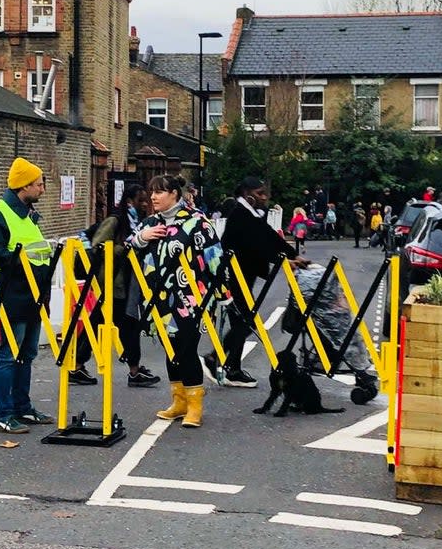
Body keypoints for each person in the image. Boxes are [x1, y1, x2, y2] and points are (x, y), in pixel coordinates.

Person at [131, 174, 223, 428]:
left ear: (174, 193)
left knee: (185, 349)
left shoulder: (196, 222)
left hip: (190, 298)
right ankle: (179, 400)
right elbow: (130, 249)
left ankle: (195, 404)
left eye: (159, 192)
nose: (153, 197)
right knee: (171, 350)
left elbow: (215, 258)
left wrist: (222, 296)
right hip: (158, 299)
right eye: (151, 192)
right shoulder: (150, 222)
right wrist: (142, 237)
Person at [206, 176, 309, 388]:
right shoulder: (240, 215)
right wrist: (284, 261)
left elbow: (269, 237)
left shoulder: (251, 214)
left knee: (243, 321)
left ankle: (228, 366)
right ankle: (219, 360)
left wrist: (292, 254)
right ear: (248, 195)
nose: (265, 198)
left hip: (244, 275)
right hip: (233, 276)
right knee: (245, 320)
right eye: (260, 194)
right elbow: (255, 247)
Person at [0, 157, 58, 434]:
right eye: (39, 184)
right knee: (9, 355)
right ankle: (4, 414)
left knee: (26, 354)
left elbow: (37, 252)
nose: (42, 189)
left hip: (33, 295)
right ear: (23, 186)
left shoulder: (27, 214)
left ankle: (23, 408)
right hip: (13, 295)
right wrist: (21, 262)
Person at [87, 184, 160, 387]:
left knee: (97, 324)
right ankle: (134, 371)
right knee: (129, 326)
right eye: (141, 200)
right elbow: (98, 246)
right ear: (129, 201)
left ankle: (76, 363)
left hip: (128, 282)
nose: (145, 204)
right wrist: (126, 247)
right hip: (114, 282)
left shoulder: (140, 224)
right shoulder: (115, 221)